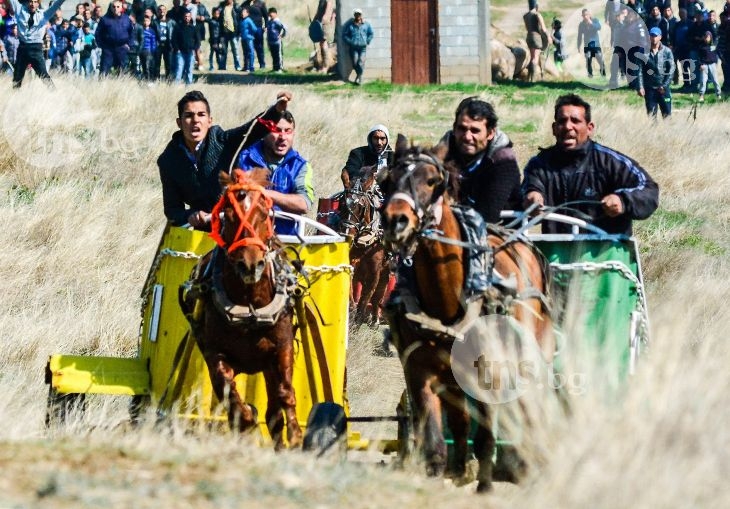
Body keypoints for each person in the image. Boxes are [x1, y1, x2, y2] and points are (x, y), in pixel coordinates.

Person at [522, 94, 659, 236]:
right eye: (562, 121)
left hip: (607, 250)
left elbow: (650, 190)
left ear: (589, 128)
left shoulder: (611, 162)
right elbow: (525, 193)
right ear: (554, 128)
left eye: (575, 121)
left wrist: (622, 200)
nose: (568, 126)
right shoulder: (538, 165)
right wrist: (531, 198)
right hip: (556, 251)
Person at [158, 89, 292, 229]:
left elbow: (252, 130)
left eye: (201, 115)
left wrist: (276, 111)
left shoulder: (223, 141)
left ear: (210, 121)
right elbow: (172, 210)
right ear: (179, 123)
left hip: (239, 223)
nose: (196, 120)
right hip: (202, 230)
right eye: (189, 115)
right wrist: (191, 215)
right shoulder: (168, 160)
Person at [441, 97, 521, 224]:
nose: (467, 137)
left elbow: (487, 215)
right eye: (462, 129)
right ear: (454, 129)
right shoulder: (442, 154)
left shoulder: (503, 160)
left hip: (499, 232)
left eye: (475, 131)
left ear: (490, 133)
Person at [235, 109, 314, 236]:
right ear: (264, 132)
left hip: (286, 242)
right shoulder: (242, 159)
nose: (282, 137)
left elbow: (303, 204)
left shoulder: (301, 166)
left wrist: (265, 193)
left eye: (288, 131)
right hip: (246, 239)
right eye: (276, 130)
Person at [9, 0, 69, 88]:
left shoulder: (44, 14)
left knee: (44, 75)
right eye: (30, 1)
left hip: (36, 49)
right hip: (23, 48)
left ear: (38, 3)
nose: (32, 4)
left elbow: (56, 4)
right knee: (17, 77)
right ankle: (15, 97)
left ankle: (54, 94)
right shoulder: (19, 9)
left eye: (35, 2)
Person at [636, 26, 675, 118]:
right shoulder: (642, 51)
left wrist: (664, 85)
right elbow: (639, 71)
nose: (653, 38)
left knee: (667, 115)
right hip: (650, 88)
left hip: (663, 89)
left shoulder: (667, 51)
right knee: (651, 116)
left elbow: (671, 70)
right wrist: (640, 87)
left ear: (660, 37)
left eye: (655, 36)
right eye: (651, 36)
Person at [341, 124, 393, 190]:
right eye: (376, 138)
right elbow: (351, 171)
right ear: (370, 139)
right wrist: (368, 176)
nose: (379, 142)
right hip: (361, 193)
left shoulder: (394, 157)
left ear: (387, 140)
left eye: (382, 138)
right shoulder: (358, 153)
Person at [96, 0, 134, 76]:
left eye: (118, 7)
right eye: (113, 7)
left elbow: (131, 32)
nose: (115, 8)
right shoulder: (104, 19)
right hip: (108, 49)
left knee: (122, 70)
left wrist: (129, 44)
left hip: (122, 48)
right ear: (110, 8)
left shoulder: (126, 19)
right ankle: (102, 86)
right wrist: (101, 45)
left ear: (121, 8)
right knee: (104, 70)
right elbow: (98, 33)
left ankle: (121, 86)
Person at [342, 7, 372, 85]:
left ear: (361, 15)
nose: (358, 15)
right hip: (353, 48)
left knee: (361, 62)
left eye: (359, 14)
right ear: (354, 15)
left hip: (363, 48)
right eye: (356, 14)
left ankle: (360, 77)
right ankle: (359, 75)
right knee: (355, 63)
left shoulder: (366, 25)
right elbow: (345, 35)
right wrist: (350, 42)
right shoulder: (350, 25)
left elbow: (371, 33)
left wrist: (367, 41)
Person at [523, 0, 549, 81]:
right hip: (536, 37)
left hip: (529, 37)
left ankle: (529, 78)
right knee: (535, 58)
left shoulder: (526, 16)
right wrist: (548, 37)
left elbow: (527, 28)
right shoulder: (537, 14)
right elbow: (543, 28)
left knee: (532, 58)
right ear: (536, 6)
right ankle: (533, 80)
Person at [577, 8, 606, 78]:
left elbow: (599, 27)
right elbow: (579, 36)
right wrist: (578, 46)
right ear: (582, 16)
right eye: (583, 15)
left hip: (596, 45)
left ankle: (603, 74)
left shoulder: (595, 20)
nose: (585, 16)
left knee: (600, 60)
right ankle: (590, 75)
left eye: (586, 15)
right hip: (587, 45)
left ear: (589, 15)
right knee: (588, 59)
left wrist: (591, 23)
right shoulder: (581, 25)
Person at [697, 30, 721, 102]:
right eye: (705, 37)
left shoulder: (714, 45)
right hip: (704, 65)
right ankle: (701, 95)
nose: (707, 38)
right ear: (703, 38)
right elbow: (699, 57)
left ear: (711, 37)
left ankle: (718, 94)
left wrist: (717, 62)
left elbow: (718, 54)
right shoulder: (701, 46)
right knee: (703, 81)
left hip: (712, 65)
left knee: (715, 80)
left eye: (708, 37)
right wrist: (700, 64)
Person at [265, 6, 284, 72]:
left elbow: (284, 29)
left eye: (272, 13)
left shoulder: (277, 21)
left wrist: (282, 35)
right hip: (270, 41)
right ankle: (275, 68)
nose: (270, 14)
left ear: (275, 13)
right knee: (273, 55)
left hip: (277, 41)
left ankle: (280, 68)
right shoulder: (269, 22)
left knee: (278, 55)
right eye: (269, 13)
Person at [238, 6, 255, 72]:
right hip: (243, 39)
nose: (242, 14)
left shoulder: (249, 20)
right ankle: (246, 67)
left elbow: (254, 29)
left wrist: (250, 35)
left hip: (249, 39)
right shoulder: (241, 20)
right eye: (242, 12)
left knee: (251, 52)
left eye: (244, 12)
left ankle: (251, 67)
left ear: (247, 13)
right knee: (245, 53)